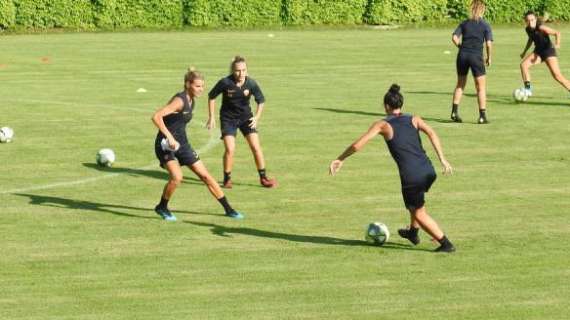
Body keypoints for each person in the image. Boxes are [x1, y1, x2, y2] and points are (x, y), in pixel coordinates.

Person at [329, 84, 456, 253]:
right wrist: (443, 159)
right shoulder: (414, 119)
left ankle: (445, 243)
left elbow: (358, 144)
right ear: (401, 105)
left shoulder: (382, 125)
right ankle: (412, 232)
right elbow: (432, 133)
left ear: (386, 106)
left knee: (418, 213)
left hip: (412, 176)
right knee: (417, 204)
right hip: (428, 170)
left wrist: (340, 158)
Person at [152, 69, 243, 221]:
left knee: (206, 176)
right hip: (165, 144)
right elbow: (156, 116)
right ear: (188, 84)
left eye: (202, 86)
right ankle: (162, 207)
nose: (201, 89)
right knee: (177, 177)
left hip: (182, 144)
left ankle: (229, 209)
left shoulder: (191, 99)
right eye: (197, 86)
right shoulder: (180, 100)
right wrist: (169, 137)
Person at [207, 56, 277, 189]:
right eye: (238, 71)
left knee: (256, 147)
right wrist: (212, 117)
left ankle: (263, 178)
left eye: (244, 70)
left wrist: (256, 117)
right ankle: (227, 179)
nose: (241, 73)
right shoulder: (225, 82)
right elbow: (211, 97)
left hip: (246, 118)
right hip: (228, 119)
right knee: (230, 149)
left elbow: (261, 101)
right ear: (233, 71)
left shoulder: (251, 83)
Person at [450, 0, 493, 124]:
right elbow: (489, 44)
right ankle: (482, 116)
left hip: (462, 56)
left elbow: (454, 37)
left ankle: (454, 112)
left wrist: (461, 47)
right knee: (480, 87)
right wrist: (489, 58)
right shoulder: (485, 25)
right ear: (482, 10)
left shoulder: (464, 23)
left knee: (460, 84)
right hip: (476, 57)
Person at [520, 11, 570, 96]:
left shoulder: (541, 27)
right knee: (524, 65)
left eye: (532, 20)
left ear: (535, 19)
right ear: (525, 21)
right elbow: (531, 39)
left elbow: (557, 33)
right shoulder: (528, 29)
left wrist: (557, 44)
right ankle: (528, 89)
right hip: (538, 51)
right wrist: (524, 51)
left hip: (548, 51)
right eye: (528, 20)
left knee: (557, 76)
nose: (530, 22)